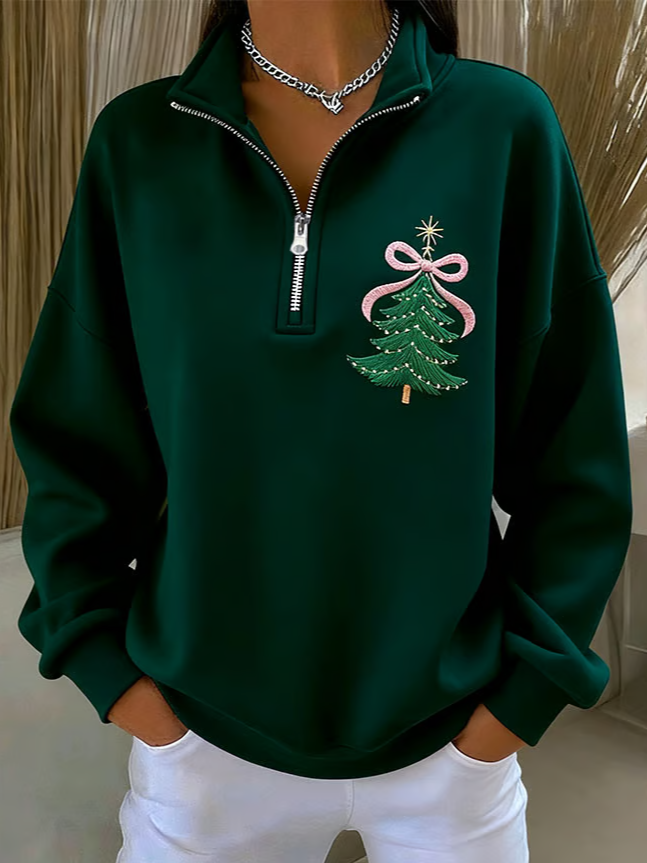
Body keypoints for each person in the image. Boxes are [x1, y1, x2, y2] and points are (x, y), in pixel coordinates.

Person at [9, 0, 633, 861]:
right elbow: (76, 450)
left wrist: (510, 712)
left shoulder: (501, 129)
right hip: (200, 757)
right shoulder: (140, 144)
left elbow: (575, 461)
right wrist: (126, 693)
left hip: (453, 761)